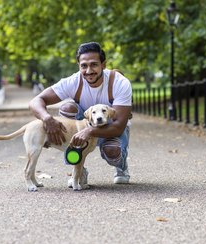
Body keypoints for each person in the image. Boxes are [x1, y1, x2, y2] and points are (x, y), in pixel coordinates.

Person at [28, 42, 132, 186]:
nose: (89, 70)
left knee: (112, 150)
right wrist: (47, 119)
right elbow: (36, 101)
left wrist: (89, 131)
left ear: (103, 64)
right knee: (67, 108)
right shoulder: (73, 81)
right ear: (79, 66)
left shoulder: (120, 83)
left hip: (111, 129)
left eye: (94, 64)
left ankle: (121, 167)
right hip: (82, 125)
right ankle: (79, 171)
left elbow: (119, 126)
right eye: (84, 65)